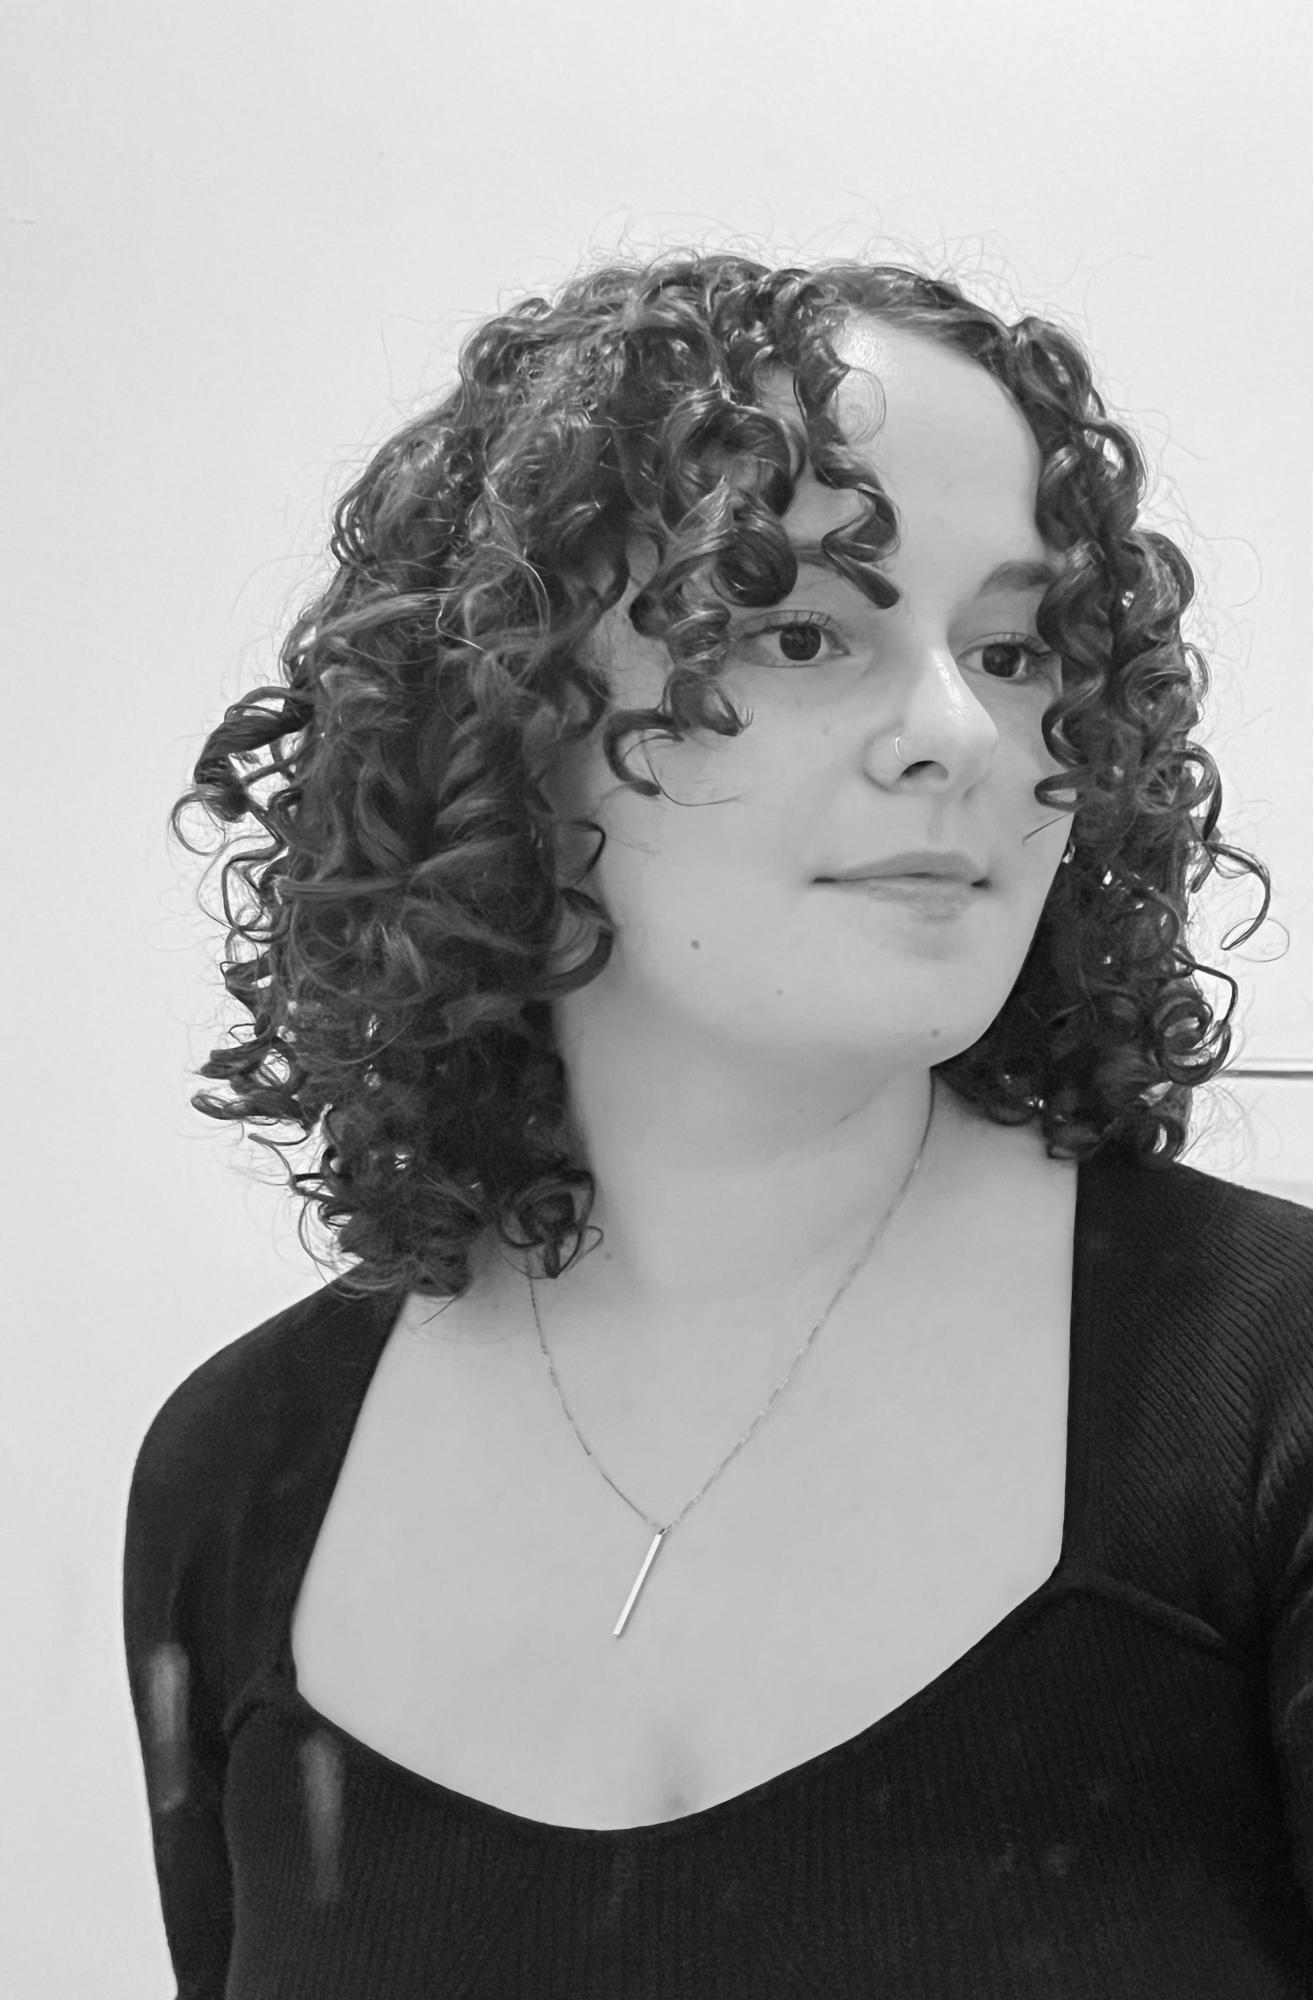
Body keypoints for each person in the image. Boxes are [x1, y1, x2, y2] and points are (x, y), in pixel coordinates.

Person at [124, 249, 1313, 1996]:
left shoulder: (1269, 1390)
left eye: (1012, 647)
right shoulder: (241, 1475)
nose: (958, 732)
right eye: (800, 630)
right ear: (509, 719)